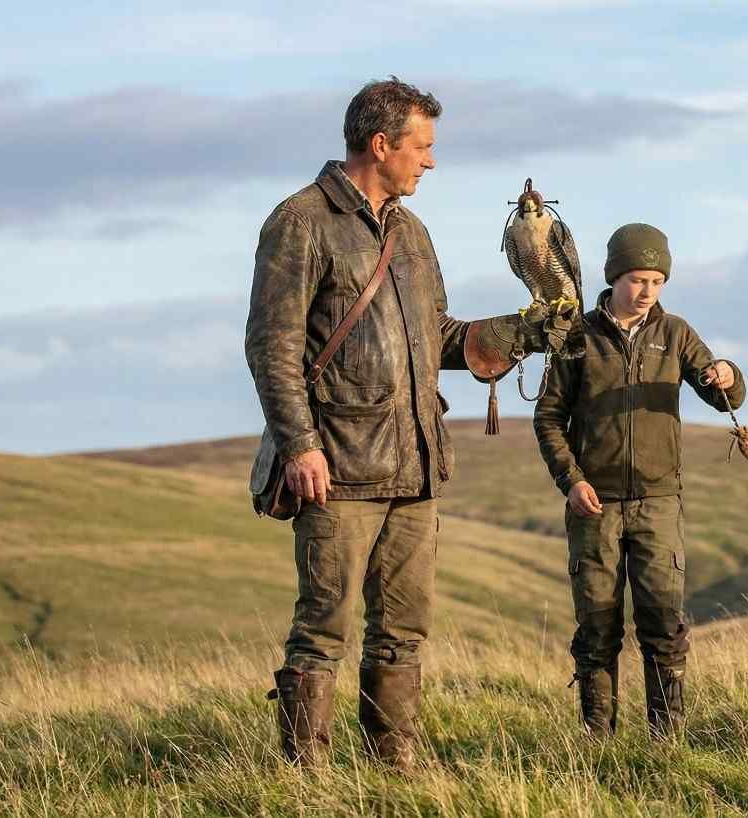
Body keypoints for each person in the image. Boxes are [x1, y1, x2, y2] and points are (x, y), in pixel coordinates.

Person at [245, 77, 544, 767]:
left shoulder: (411, 232)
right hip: (338, 465)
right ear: (381, 145)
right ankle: (305, 780)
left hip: (414, 463)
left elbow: (436, 337)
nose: (430, 162)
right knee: (323, 630)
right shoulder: (301, 221)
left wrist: (522, 332)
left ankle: (394, 770)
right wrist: (299, 445)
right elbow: (272, 345)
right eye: (423, 147)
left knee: (404, 630)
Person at [533, 223, 747, 737]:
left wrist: (728, 375)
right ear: (614, 277)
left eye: (657, 280)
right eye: (637, 279)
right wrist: (572, 481)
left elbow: (723, 398)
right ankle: (598, 741)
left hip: (658, 505)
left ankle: (664, 742)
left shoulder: (676, 334)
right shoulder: (577, 337)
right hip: (594, 505)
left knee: (664, 624)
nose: (647, 291)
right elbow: (548, 417)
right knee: (597, 628)